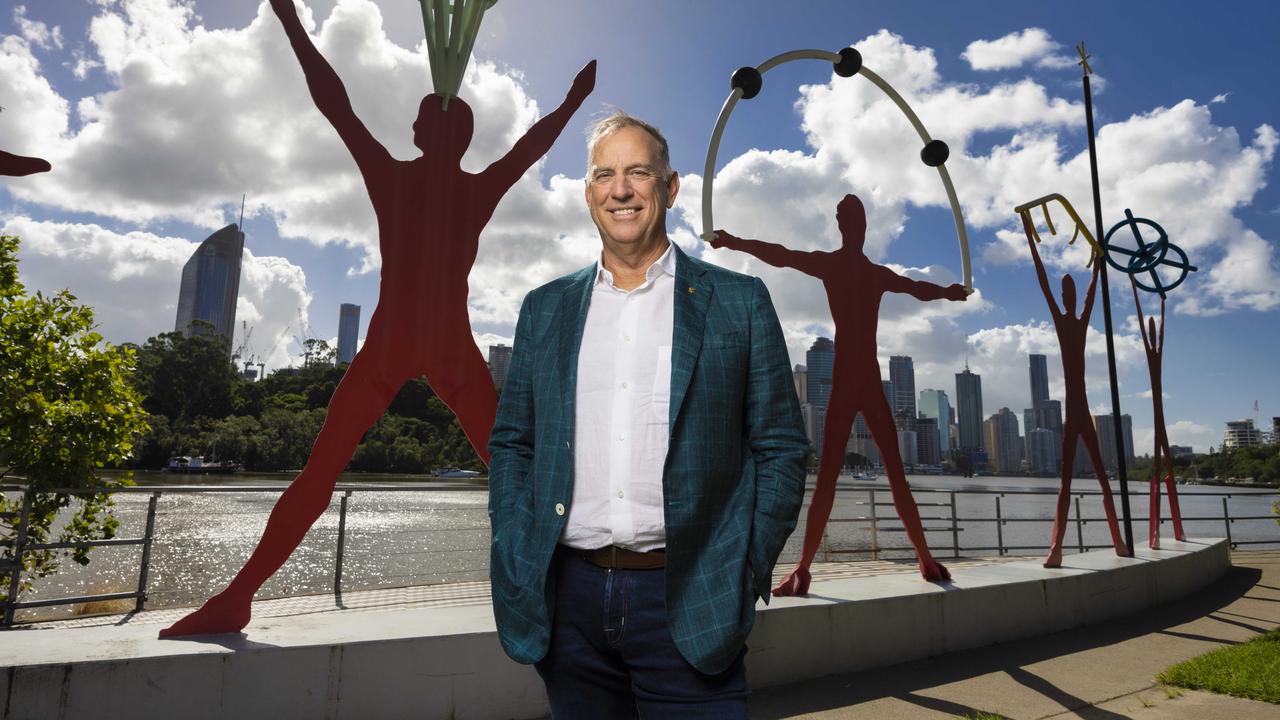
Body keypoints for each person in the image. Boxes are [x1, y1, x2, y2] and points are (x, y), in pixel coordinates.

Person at [159, 0, 595, 638]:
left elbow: (336, 103)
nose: (420, 126)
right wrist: (569, 102)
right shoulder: (472, 189)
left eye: (422, 119)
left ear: (424, 134)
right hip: (447, 348)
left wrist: (291, 23)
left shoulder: (394, 178)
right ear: (460, 139)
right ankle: (580, 592)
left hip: (393, 345)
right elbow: (530, 146)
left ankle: (239, 596)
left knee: (323, 471)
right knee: (516, 477)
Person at [487, 111, 807, 718]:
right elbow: (513, 444)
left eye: (638, 172)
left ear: (670, 187)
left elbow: (782, 448)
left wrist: (745, 564)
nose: (621, 189)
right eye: (604, 174)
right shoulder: (545, 309)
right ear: (588, 193)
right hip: (568, 602)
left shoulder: (739, 303)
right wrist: (511, 541)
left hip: (690, 595)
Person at [714, 194, 965, 593]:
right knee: (835, 474)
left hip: (861, 376)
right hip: (852, 377)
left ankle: (921, 556)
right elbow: (781, 255)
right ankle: (807, 566)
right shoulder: (841, 267)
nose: (856, 227)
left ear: (860, 227)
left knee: (884, 472)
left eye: (858, 220)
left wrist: (948, 293)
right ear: (846, 226)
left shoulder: (866, 271)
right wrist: (734, 242)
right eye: (851, 220)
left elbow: (917, 288)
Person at [1021, 214, 1130, 567]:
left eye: (1069, 291)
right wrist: (1028, 238)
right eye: (1064, 291)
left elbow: (1091, 296)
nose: (1066, 295)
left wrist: (1098, 267)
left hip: (1081, 412)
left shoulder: (1080, 321)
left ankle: (1118, 541)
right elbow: (1042, 283)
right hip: (1072, 414)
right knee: (1066, 484)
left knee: (1102, 480)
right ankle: (1056, 548)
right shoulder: (1061, 318)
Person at [1131, 277, 1186, 548]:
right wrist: (1133, 285)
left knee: (1165, 471)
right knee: (1159, 470)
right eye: (1150, 329)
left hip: (1159, 416)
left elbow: (1159, 328)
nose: (1151, 332)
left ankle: (1174, 531)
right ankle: (1157, 534)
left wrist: (1162, 304)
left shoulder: (1158, 348)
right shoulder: (1149, 344)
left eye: (1153, 330)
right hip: (1157, 415)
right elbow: (1143, 322)